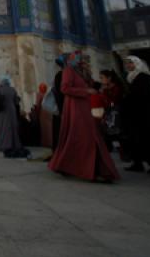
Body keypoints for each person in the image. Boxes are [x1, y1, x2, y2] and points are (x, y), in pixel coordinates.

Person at [48, 51, 119, 183]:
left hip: (85, 107)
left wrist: (88, 73)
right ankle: (90, 170)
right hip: (75, 108)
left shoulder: (81, 71)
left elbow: (90, 85)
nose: (83, 61)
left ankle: (71, 166)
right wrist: (85, 91)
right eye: (81, 59)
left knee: (80, 137)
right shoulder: (68, 71)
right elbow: (65, 89)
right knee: (84, 137)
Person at [0, 77, 26, 158]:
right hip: (12, 110)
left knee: (3, 128)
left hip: (3, 112)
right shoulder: (12, 89)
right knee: (12, 127)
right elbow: (16, 101)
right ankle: (14, 144)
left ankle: (4, 145)